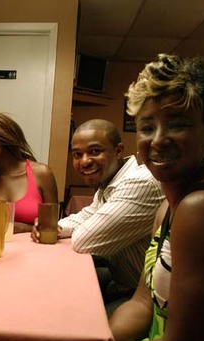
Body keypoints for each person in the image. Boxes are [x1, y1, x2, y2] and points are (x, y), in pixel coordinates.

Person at [109, 54, 204, 341]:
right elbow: (143, 304)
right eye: (147, 127)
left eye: (178, 125)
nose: (158, 139)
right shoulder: (169, 206)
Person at [31, 119, 164, 304]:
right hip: (122, 284)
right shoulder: (109, 183)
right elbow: (85, 216)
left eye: (95, 151)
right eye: (77, 154)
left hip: (147, 301)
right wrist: (53, 225)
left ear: (118, 151)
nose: (84, 162)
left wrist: (59, 229)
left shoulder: (138, 182)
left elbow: (85, 241)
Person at [0, 111, 58, 233]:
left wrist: (17, 227)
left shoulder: (42, 174)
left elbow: (52, 229)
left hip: (35, 250)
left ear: (0, 135)